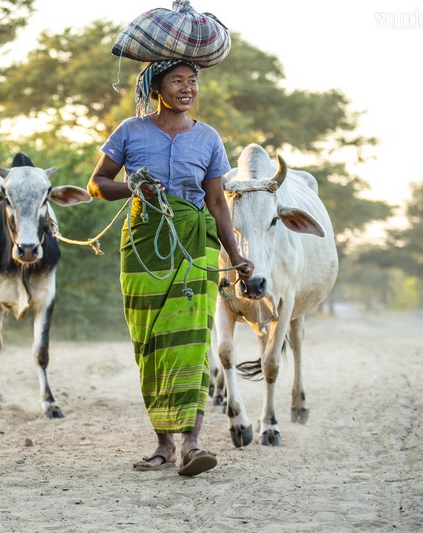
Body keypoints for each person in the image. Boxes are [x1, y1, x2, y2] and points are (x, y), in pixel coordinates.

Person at [87, 59, 254, 477]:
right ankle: (162, 444)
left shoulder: (208, 138)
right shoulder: (129, 131)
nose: (187, 88)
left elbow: (217, 203)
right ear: (154, 86)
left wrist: (236, 256)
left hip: (196, 248)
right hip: (145, 248)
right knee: (152, 347)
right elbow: (97, 184)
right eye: (177, 80)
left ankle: (191, 443)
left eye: (192, 81)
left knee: (193, 343)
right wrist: (133, 186)